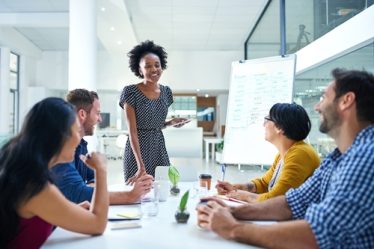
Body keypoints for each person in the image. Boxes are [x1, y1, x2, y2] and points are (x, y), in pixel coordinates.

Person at [197, 68, 374, 248]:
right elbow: (292, 203)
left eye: (324, 97)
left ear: (346, 101)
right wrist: (231, 211)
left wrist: (233, 228)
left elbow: (318, 233)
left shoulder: (366, 157)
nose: (317, 106)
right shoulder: (338, 158)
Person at [0, 97, 109, 249]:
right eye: (77, 131)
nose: (79, 139)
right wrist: (101, 170)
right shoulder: (35, 187)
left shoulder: (22, 168)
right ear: (59, 135)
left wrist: (68, 210)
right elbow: (98, 225)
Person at [51, 89, 153, 204]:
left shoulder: (81, 144)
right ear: (82, 114)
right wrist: (130, 196)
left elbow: (90, 178)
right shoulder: (60, 148)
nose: (100, 119)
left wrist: (89, 191)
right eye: (97, 113)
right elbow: (76, 192)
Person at [216, 103, 320, 202]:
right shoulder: (285, 153)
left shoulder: (300, 154)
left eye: (267, 120)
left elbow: (276, 199)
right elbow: (264, 184)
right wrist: (234, 188)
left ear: (280, 127)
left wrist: (243, 196)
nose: (263, 124)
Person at [119, 40, 189, 183]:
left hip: (158, 147)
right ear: (140, 70)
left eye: (157, 65)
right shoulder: (130, 92)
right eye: (148, 66)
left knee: (163, 189)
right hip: (137, 151)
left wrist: (170, 123)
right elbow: (133, 131)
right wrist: (140, 165)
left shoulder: (166, 92)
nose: (154, 69)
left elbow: (153, 124)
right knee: (139, 195)